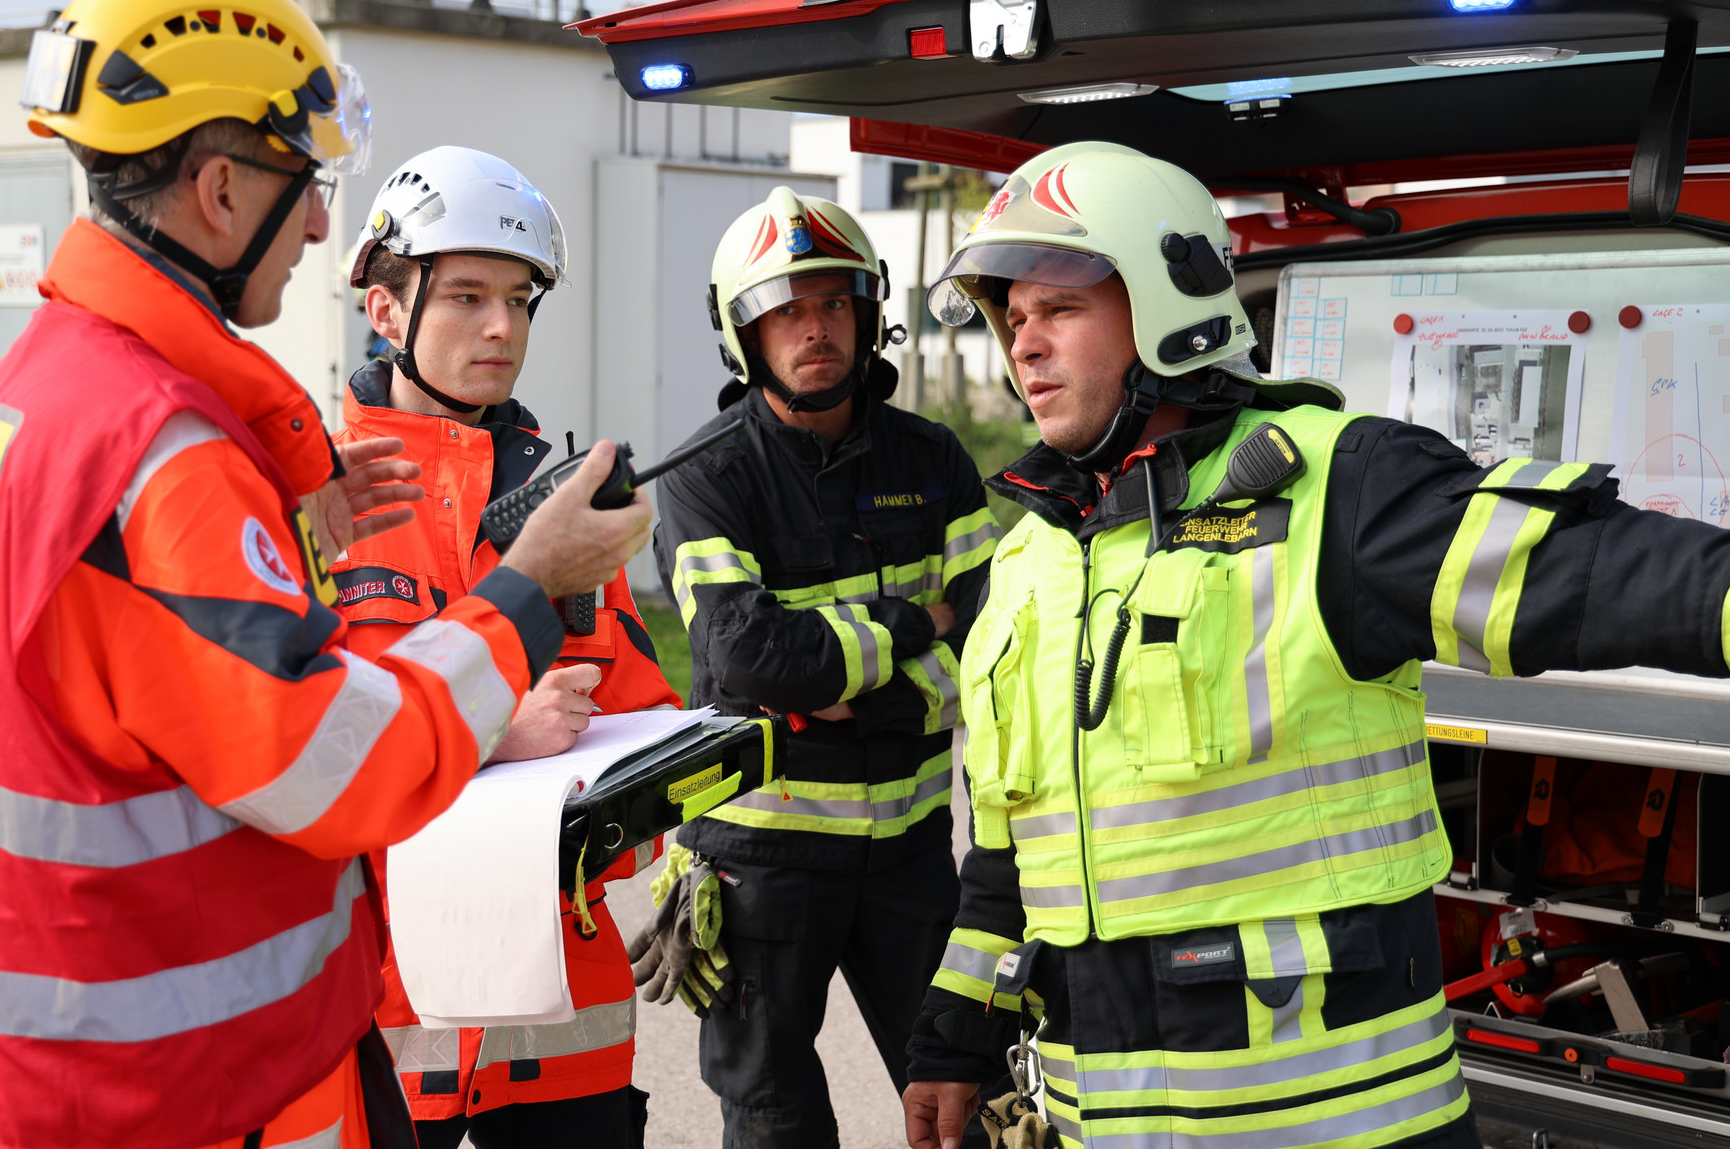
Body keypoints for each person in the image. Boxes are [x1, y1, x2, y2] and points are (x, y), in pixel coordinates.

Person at [0, 0, 650, 1149]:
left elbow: (120, 693)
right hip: (164, 1089)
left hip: (38, 1056)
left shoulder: (32, 389)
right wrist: (524, 592)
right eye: (302, 183)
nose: (314, 224)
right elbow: (337, 770)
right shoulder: (162, 450)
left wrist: (278, 505)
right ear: (218, 188)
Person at [899, 140, 1730, 1149]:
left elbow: (1624, 581)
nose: (1025, 345)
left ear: (1171, 299)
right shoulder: (1030, 558)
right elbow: (1010, 846)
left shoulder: (1339, 491)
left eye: (1061, 308)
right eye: (1012, 317)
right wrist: (952, 1038)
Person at [332, 146, 680, 1148]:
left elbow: (636, 722)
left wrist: (662, 815)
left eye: (521, 299)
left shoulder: (563, 510)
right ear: (387, 310)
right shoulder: (319, 499)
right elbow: (302, 757)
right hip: (390, 1025)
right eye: (470, 295)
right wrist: (492, 734)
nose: (502, 327)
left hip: (561, 1033)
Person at [650, 188, 1001, 1147]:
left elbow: (997, 646)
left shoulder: (936, 461)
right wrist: (907, 629)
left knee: (972, 1100)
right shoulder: (703, 476)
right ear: (744, 331)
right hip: (760, 863)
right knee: (774, 1119)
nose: (816, 329)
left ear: (868, 311)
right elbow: (748, 655)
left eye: (834, 303)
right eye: (787, 310)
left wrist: (844, 688)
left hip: (914, 858)